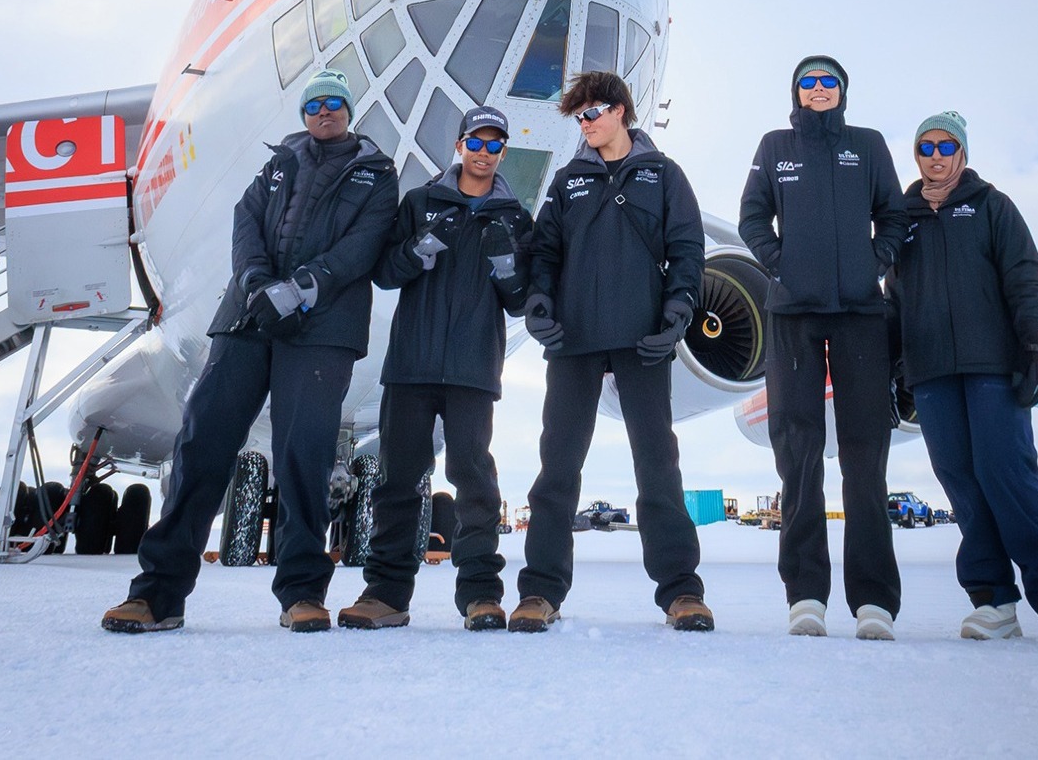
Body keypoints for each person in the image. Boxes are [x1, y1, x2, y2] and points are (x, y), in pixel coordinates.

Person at [102, 70, 399, 634]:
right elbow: (247, 225)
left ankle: (302, 593)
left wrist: (303, 287)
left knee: (303, 456)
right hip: (247, 319)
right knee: (202, 442)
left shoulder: (376, 175)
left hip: (321, 330)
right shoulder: (278, 164)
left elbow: (363, 246)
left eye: (336, 102)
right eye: (316, 103)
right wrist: (260, 284)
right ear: (305, 114)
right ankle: (158, 593)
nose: (326, 111)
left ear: (349, 111)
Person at [509, 71, 712, 633]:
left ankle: (680, 591)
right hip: (573, 340)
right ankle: (541, 592)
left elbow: (687, 250)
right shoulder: (568, 180)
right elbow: (544, 250)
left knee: (657, 466)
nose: (587, 124)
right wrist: (540, 303)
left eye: (594, 112)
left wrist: (677, 313)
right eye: (580, 118)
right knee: (557, 469)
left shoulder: (664, 175)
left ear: (621, 110)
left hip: (642, 339)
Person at [886, 110, 1038, 643]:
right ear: (917, 155)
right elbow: (894, 298)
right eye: (926, 147)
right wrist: (896, 365)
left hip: (991, 366)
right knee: (960, 481)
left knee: (1008, 475)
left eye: (945, 146)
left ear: (962, 152)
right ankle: (994, 601)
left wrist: (1034, 346)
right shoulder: (901, 220)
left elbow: (1025, 276)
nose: (936, 156)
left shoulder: (992, 207)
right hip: (932, 372)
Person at [337, 106, 532, 633]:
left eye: (495, 145)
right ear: (460, 145)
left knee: (474, 482)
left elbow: (519, 301)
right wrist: (418, 250)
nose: (484, 153)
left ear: (503, 152)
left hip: (473, 368)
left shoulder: (514, 218)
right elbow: (385, 273)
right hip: (412, 365)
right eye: (476, 142)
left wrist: (507, 265)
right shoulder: (422, 202)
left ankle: (480, 595)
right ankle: (385, 594)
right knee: (398, 480)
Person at [739, 55, 908, 640]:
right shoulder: (775, 145)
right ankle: (806, 595)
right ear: (796, 91)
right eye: (808, 82)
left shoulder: (868, 144)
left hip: (861, 312)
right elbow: (752, 215)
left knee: (865, 454)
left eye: (828, 82)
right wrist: (779, 263)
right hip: (792, 315)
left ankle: (874, 601)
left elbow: (894, 214)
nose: (818, 89)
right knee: (799, 454)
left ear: (842, 92)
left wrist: (875, 261)